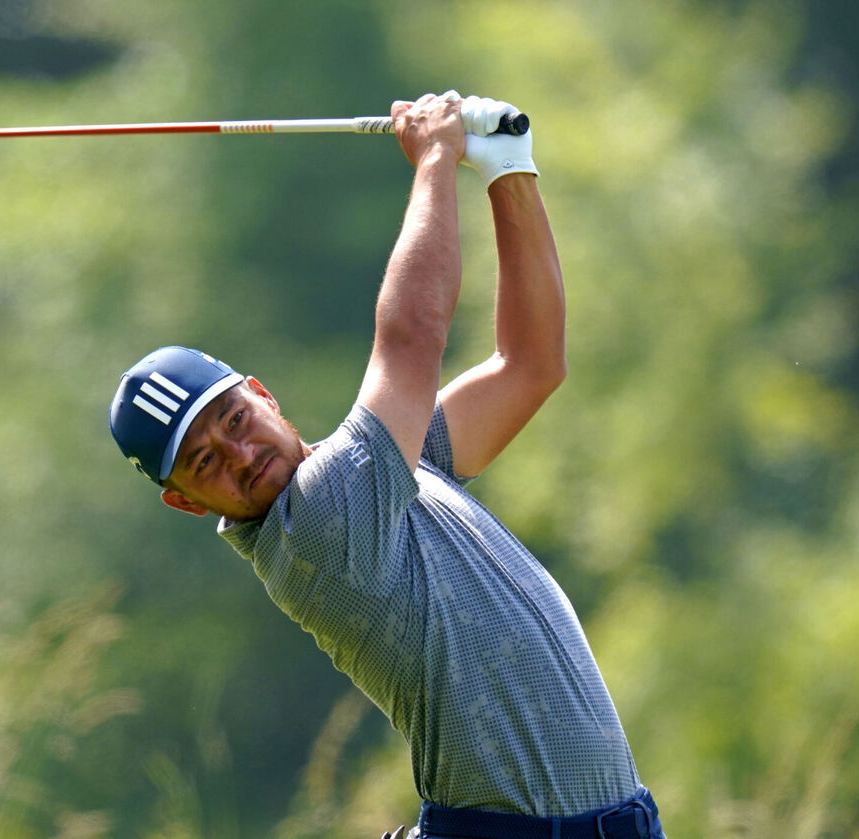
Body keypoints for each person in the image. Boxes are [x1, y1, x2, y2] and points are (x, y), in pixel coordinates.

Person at [108, 92, 665, 839]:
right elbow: (412, 335)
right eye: (205, 461)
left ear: (263, 395)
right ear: (184, 501)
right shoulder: (319, 523)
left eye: (235, 419)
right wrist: (435, 157)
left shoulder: (389, 472)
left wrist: (508, 169)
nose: (240, 455)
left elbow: (531, 364)